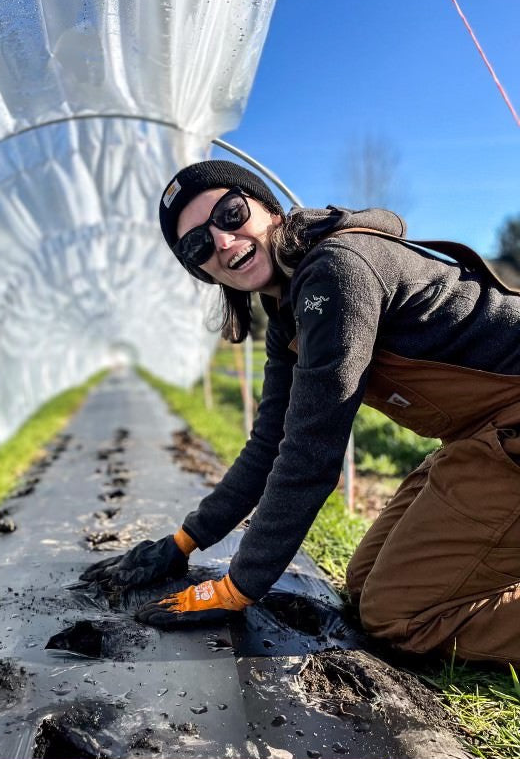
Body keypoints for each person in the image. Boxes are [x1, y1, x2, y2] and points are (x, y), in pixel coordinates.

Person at [82, 159, 520, 664]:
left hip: (511, 430)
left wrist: (238, 587)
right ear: (197, 268)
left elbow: (311, 452)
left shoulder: (337, 270)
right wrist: (184, 542)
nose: (223, 242)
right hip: (482, 437)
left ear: (267, 207)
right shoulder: (288, 310)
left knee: (397, 616)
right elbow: (271, 442)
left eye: (229, 213)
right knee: (362, 581)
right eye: (198, 244)